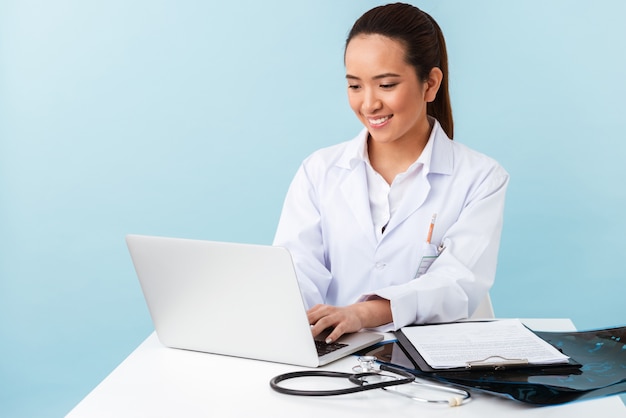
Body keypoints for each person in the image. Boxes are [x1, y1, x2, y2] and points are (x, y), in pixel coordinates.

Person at [273, 2, 509, 344]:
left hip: (433, 361)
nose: (369, 104)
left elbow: (457, 282)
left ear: (430, 84)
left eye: (385, 85)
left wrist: (363, 313)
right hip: (336, 354)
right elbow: (296, 270)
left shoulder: (481, 177)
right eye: (355, 86)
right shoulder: (319, 170)